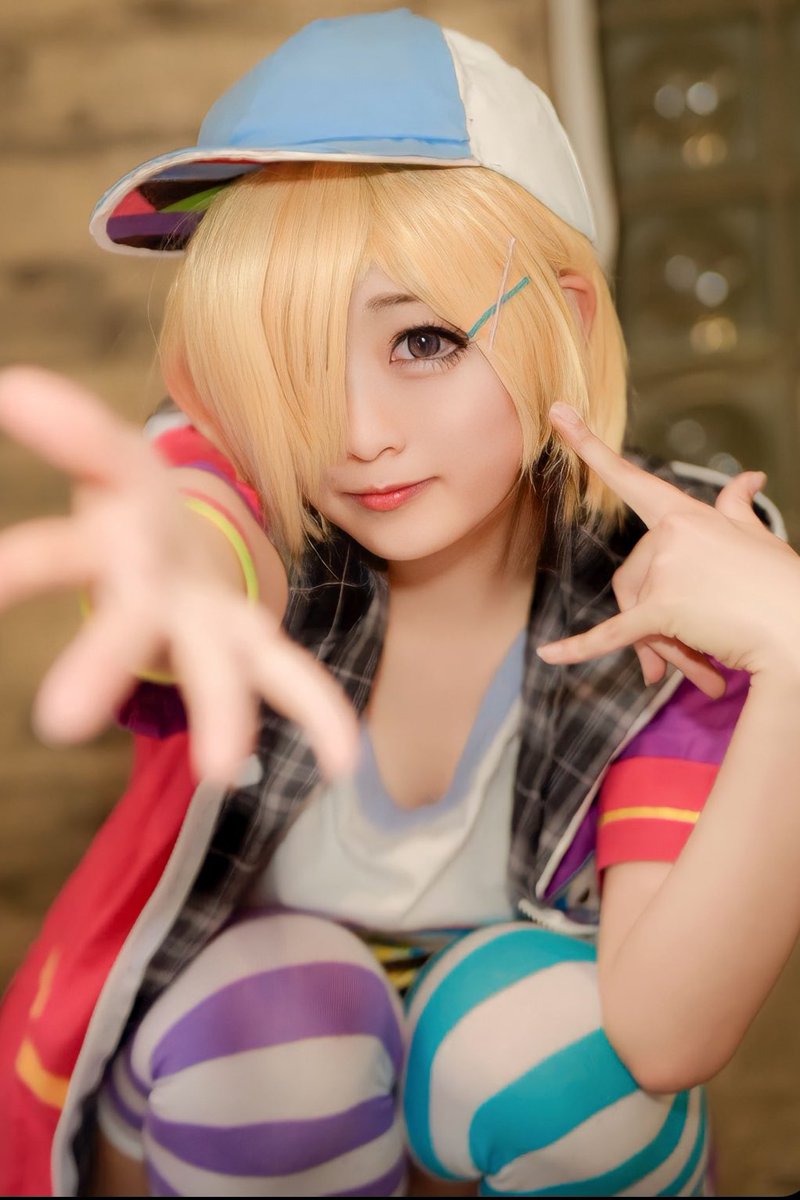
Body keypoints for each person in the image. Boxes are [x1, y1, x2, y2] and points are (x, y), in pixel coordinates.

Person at [0, 8, 798, 1197]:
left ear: (567, 320)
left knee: (553, 1066)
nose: (356, 433)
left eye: (422, 340)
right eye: (286, 359)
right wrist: (164, 567)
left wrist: (791, 661)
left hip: (502, 1077)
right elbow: (201, 529)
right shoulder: (244, 476)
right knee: (276, 1035)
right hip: (223, 1077)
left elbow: (664, 1037)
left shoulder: (657, 571)